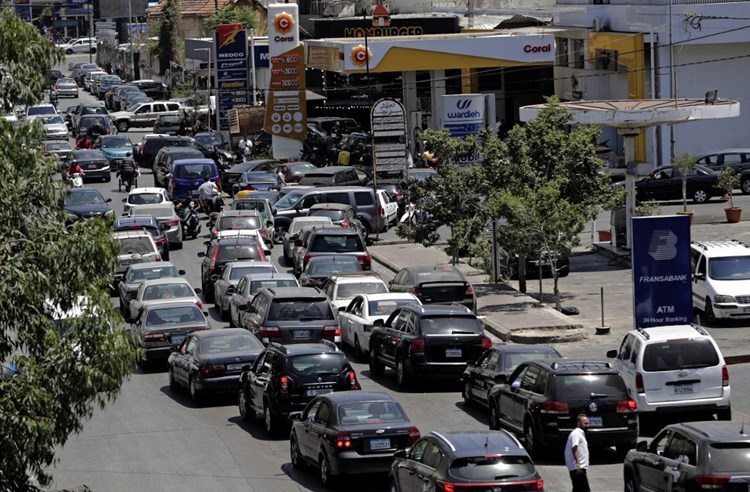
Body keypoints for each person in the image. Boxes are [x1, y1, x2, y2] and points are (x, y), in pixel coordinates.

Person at [564, 414, 590, 492]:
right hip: (578, 468)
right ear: (579, 423)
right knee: (585, 489)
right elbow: (574, 448)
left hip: (579, 468)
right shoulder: (576, 433)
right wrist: (578, 463)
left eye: (588, 423)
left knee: (577, 489)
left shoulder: (580, 433)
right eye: (585, 423)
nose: (588, 425)